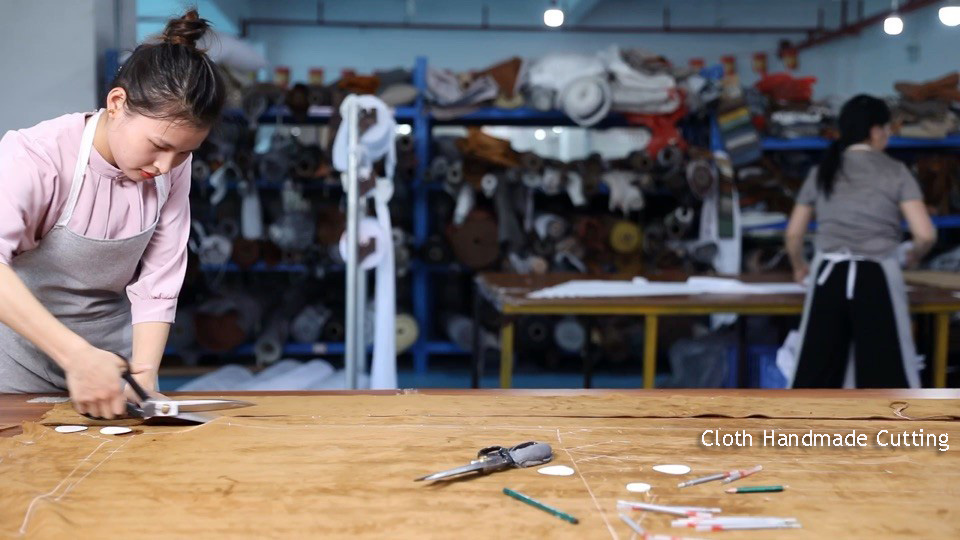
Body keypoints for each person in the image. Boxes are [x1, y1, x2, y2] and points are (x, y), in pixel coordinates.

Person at [0, 10, 225, 418]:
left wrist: (145, 377)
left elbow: (159, 280)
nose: (165, 166)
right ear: (117, 103)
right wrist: (76, 357)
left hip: (111, 377)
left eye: (184, 153)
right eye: (158, 146)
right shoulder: (35, 157)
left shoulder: (170, 167)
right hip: (14, 374)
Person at [785, 94, 937, 388]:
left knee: (815, 376)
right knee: (886, 377)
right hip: (877, 275)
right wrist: (915, 255)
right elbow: (926, 234)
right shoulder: (895, 171)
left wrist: (798, 265)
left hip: (827, 276)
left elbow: (793, 234)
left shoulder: (822, 171)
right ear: (876, 131)